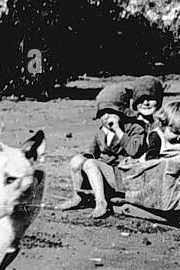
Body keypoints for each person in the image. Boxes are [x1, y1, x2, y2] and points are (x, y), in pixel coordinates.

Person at [56, 84, 132, 218]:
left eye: (110, 112)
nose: (106, 117)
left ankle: (101, 203)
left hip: (119, 174)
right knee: (77, 160)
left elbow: (132, 151)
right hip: (102, 173)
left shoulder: (128, 129)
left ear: (121, 112)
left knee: (90, 163)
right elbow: (91, 152)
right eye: (102, 113)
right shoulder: (100, 132)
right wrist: (83, 158)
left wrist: (118, 130)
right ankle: (78, 196)